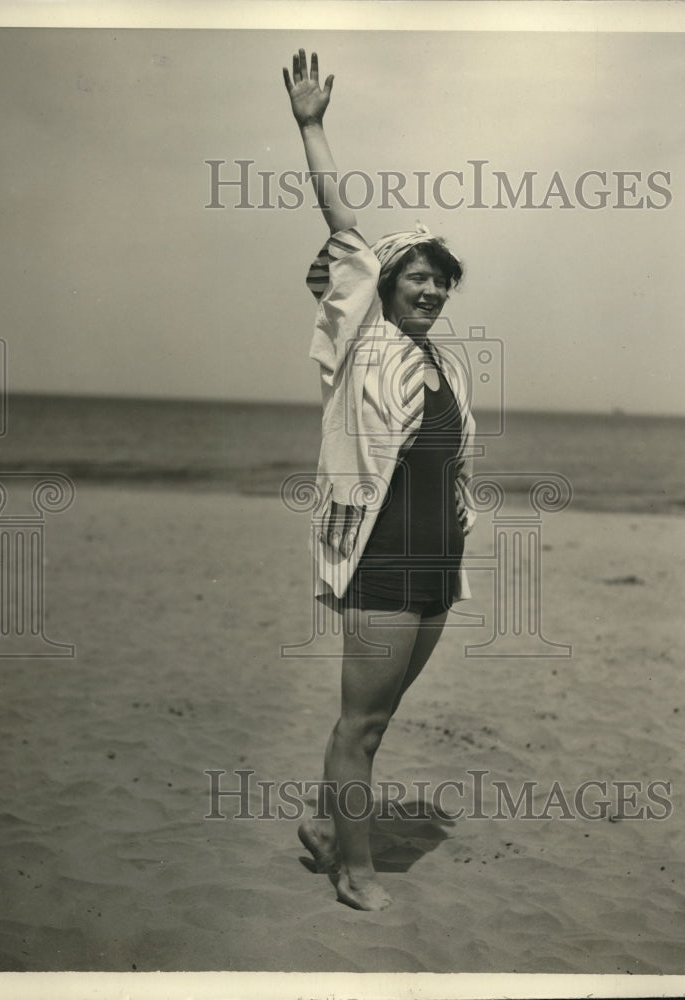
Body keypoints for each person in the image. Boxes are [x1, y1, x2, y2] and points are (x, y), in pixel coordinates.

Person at [283, 50, 477, 911]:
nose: (431, 290)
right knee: (359, 726)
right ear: (384, 287)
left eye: (440, 280)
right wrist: (312, 127)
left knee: (376, 718)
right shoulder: (361, 345)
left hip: (437, 567)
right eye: (416, 277)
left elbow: (453, 468)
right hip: (381, 563)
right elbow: (344, 232)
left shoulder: (444, 365)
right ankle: (351, 869)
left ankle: (327, 826)